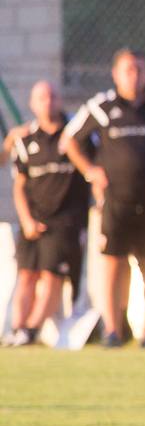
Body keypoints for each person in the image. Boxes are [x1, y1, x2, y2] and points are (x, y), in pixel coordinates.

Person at [59, 49, 145, 348]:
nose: (134, 76)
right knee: (114, 264)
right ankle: (113, 331)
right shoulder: (102, 106)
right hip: (116, 200)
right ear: (116, 73)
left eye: (139, 70)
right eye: (128, 70)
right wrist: (91, 171)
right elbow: (70, 139)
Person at [6, 81, 88, 346]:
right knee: (27, 275)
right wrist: (27, 220)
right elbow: (19, 186)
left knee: (52, 273)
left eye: (52, 96)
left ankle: (31, 330)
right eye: (41, 97)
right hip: (33, 218)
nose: (48, 102)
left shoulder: (75, 135)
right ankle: (17, 329)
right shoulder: (25, 138)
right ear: (32, 104)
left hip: (65, 220)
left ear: (60, 99)